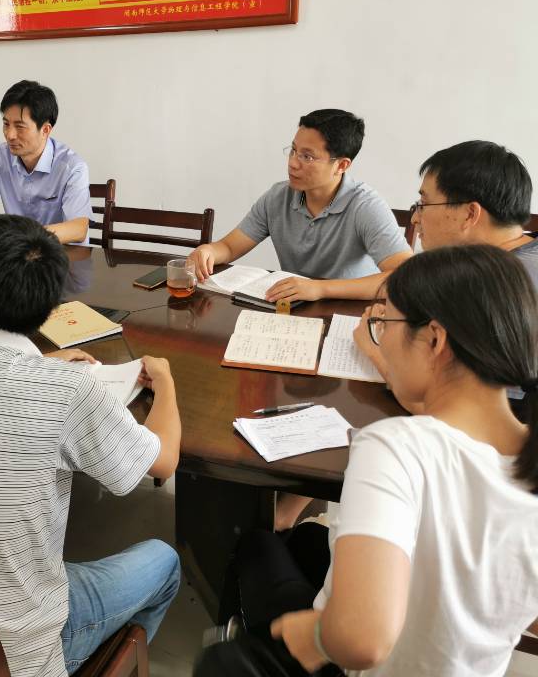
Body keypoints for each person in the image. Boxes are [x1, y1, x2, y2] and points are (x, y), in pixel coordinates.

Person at [194, 245, 538, 677]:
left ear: (435, 340)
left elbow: (362, 638)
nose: (380, 339)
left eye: (384, 323)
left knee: (256, 545)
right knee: (304, 540)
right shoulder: (523, 455)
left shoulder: (395, 447)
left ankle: (236, 637)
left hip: (348, 666)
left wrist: (311, 636)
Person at [0, 214, 182, 676]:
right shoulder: (69, 391)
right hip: (15, 659)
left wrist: (42, 363)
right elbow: (163, 460)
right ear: (50, 311)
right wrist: (165, 383)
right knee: (164, 562)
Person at [354, 140, 536, 388]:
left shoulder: (495, 288)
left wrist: (374, 348)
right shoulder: (516, 256)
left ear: (470, 214)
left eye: (423, 204)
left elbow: (455, 404)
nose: (415, 218)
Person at [188, 109, 412, 302]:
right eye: (294, 150)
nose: (293, 163)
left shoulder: (366, 206)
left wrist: (320, 289)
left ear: (341, 165)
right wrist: (208, 251)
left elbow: (405, 278)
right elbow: (229, 247)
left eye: (307, 157)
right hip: (293, 307)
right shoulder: (277, 197)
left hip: (348, 313)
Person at [0, 80, 93, 245]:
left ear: (45, 130)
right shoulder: (0, 157)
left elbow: (78, 228)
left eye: (20, 127)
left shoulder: (72, 167)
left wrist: (22, 236)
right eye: (6, 124)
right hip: (19, 253)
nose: (10, 135)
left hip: (62, 254)